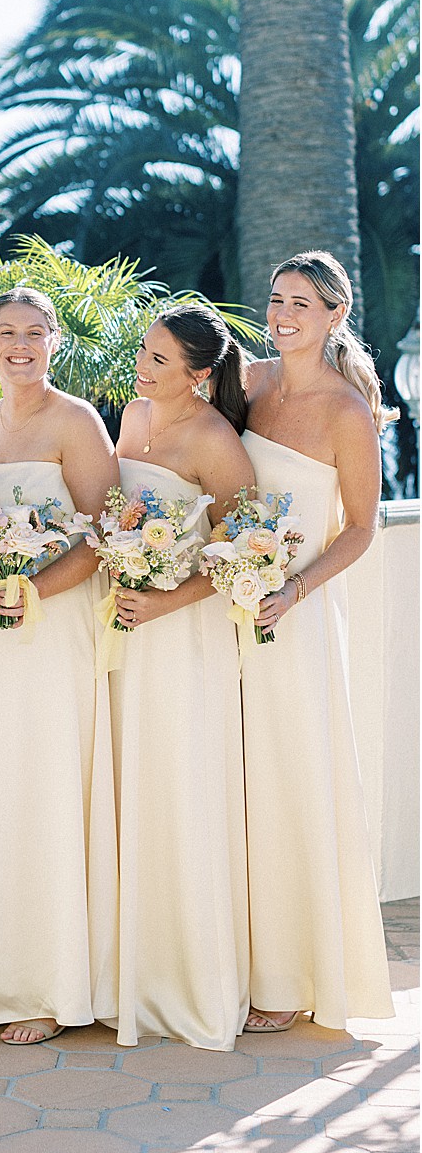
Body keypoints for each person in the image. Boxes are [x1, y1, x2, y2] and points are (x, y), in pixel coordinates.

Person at [0, 288, 120, 1045]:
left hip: (52, 626)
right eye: (6, 333)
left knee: (50, 783)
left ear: (53, 341)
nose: (20, 345)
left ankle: (53, 986)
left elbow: (106, 533)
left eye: (34, 332)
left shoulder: (76, 421)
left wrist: (35, 589)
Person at [241, 251, 395, 1033]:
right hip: (222, 608)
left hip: (293, 620)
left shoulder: (345, 413)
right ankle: (224, 958)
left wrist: (294, 590)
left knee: (286, 783)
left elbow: (363, 528)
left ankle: (291, 972)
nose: (282, 314)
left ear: (335, 314)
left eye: (300, 302)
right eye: (275, 299)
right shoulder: (248, 383)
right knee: (229, 785)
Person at [105, 305, 253, 1050]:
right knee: (127, 787)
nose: (143, 367)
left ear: (198, 374)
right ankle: (125, 974)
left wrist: (166, 600)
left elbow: (247, 551)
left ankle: (188, 985)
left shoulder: (216, 440)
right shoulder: (131, 416)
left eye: (160, 360)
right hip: (121, 629)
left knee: (178, 787)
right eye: (143, 352)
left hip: (181, 634)